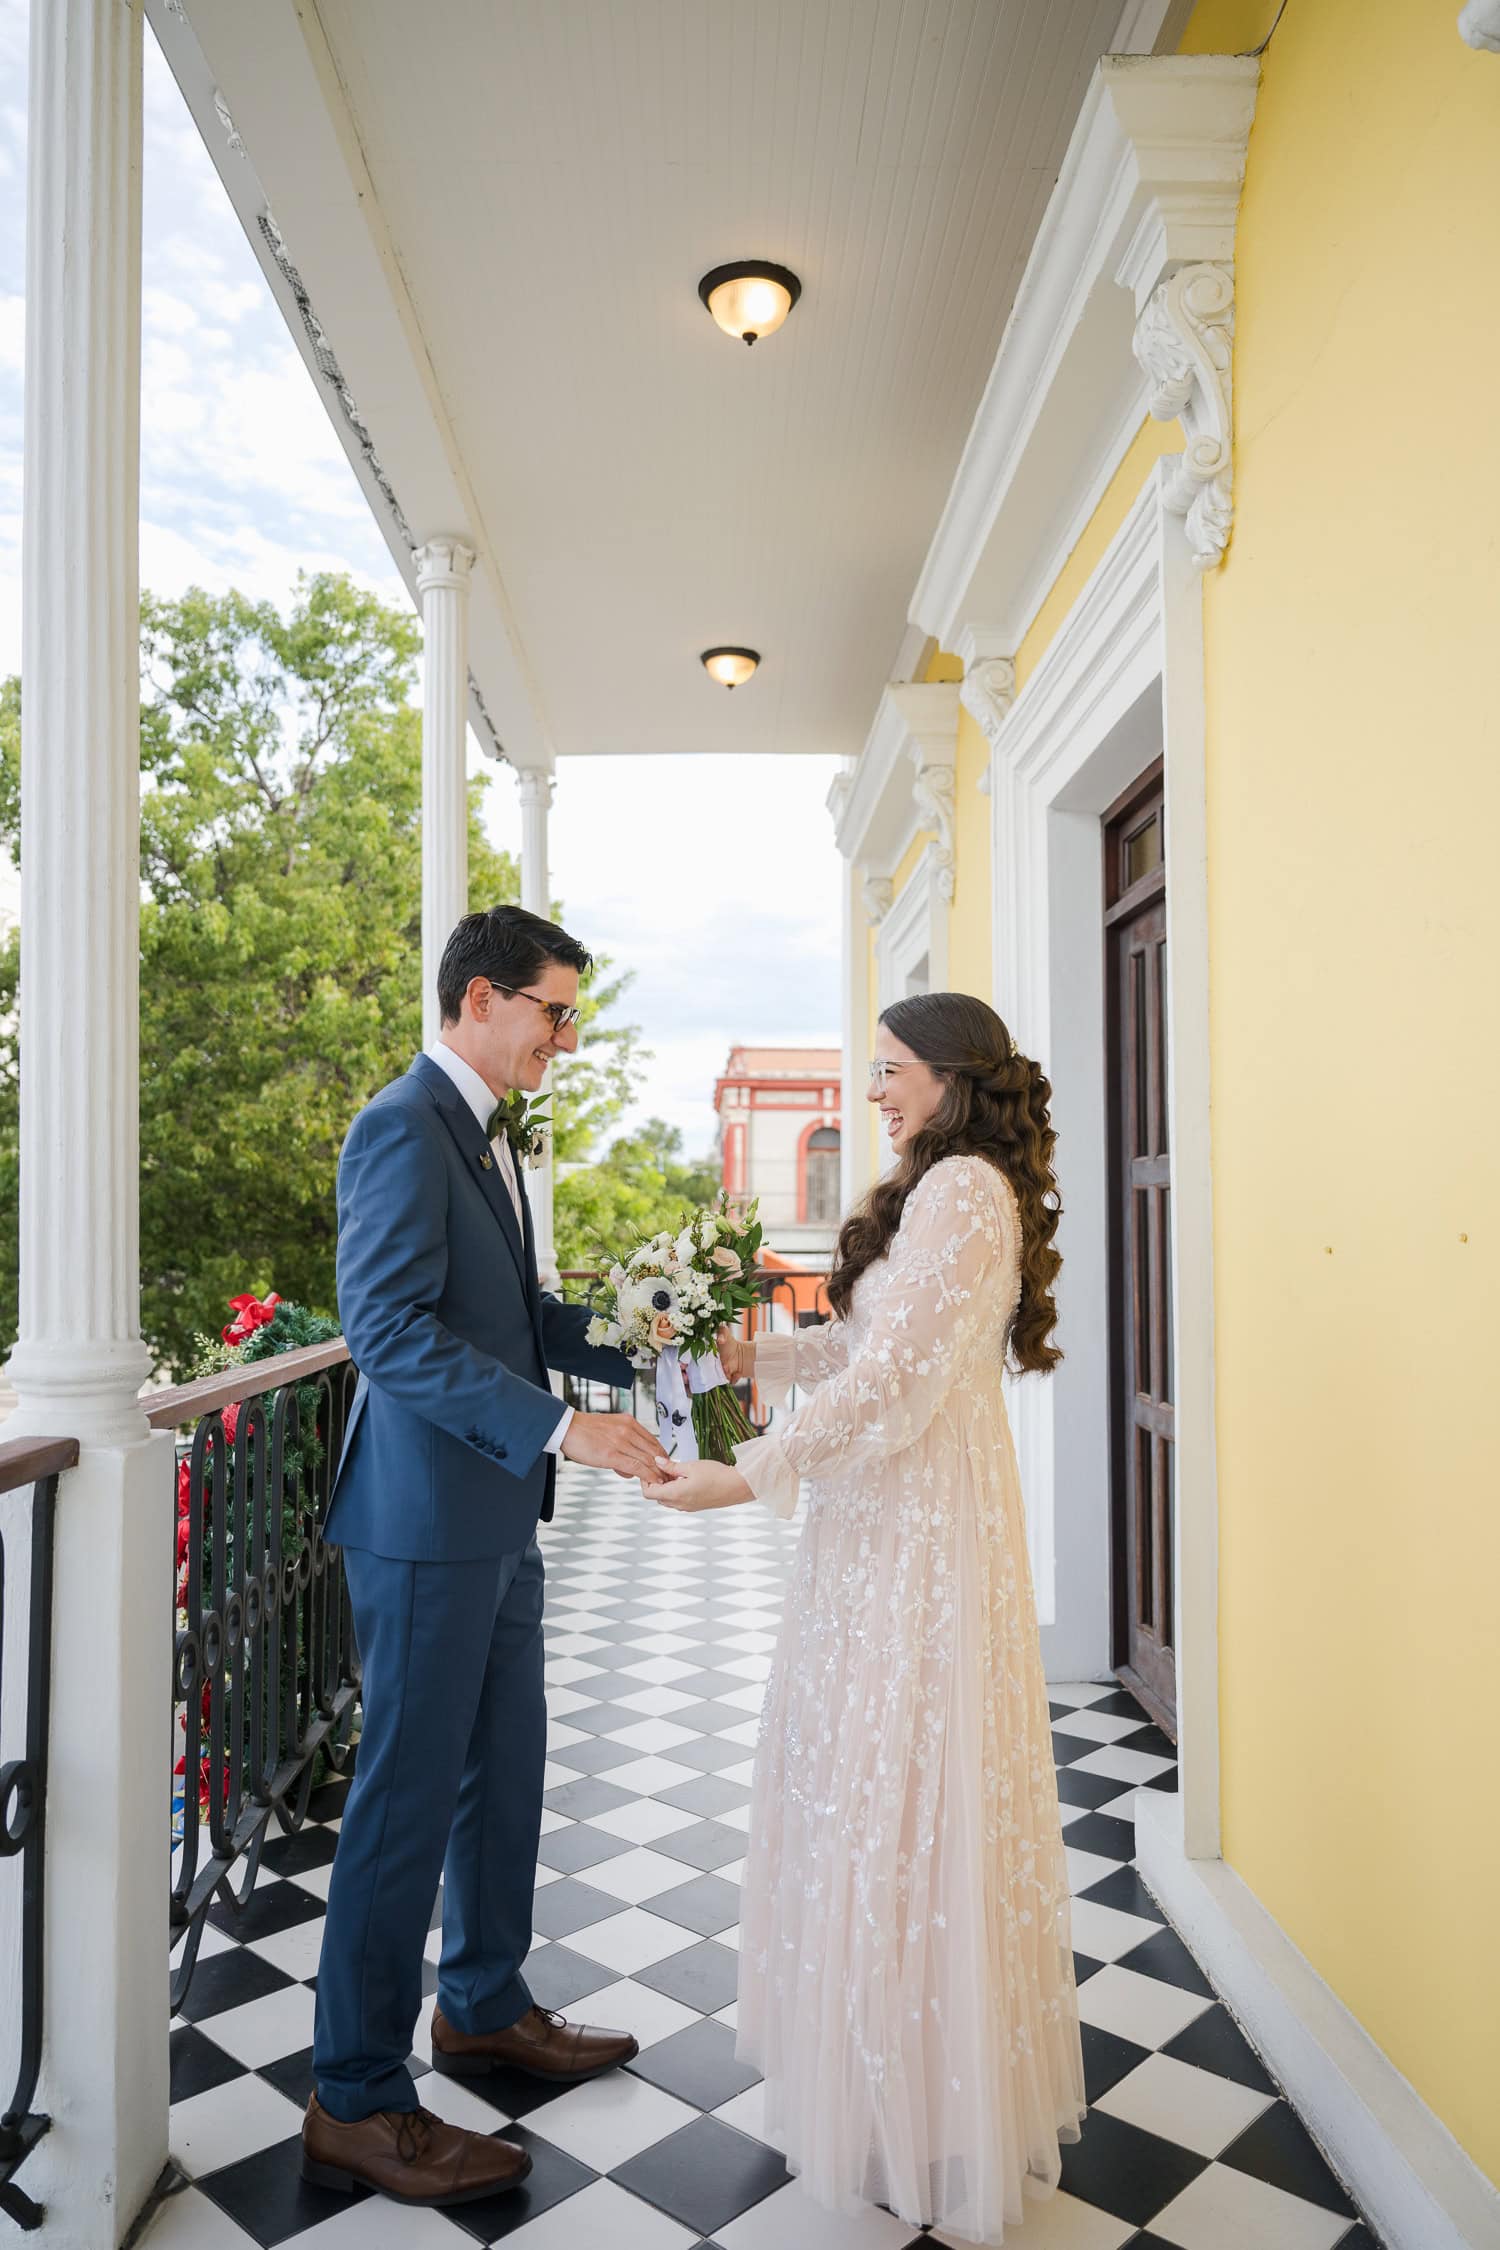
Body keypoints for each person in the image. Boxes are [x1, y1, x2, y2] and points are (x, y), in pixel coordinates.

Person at [644, 991, 1088, 2243]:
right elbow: (859, 1350)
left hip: (918, 1538)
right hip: (879, 1527)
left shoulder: (963, 1196)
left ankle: (923, 2104)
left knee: (903, 1793)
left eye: (891, 1070)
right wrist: (755, 1365)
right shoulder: (938, 1184)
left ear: (950, 1075)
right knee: (872, 1788)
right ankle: (895, 2087)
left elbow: (898, 1381)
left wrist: (748, 1470)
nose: (877, 1089)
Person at [303, 905, 663, 2210]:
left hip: (495, 1519)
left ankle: (484, 2005)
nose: (565, 1036)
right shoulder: (401, 1125)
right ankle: (355, 2095)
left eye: (568, 1013)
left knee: (506, 1770)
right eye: (553, 1011)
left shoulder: (485, 1135)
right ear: (479, 999)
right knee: (402, 1805)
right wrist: (569, 1426)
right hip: (419, 1528)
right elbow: (389, 1330)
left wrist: (645, 1343)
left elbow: (505, 1308)